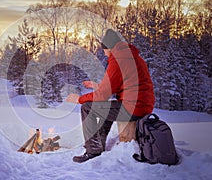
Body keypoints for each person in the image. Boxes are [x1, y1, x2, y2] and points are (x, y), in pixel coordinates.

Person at [66, 29, 155, 163]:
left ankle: (92, 149)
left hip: (133, 108)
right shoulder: (132, 57)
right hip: (143, 105)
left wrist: (78, 99)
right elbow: (125, 84)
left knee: (87, 107)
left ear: (110, 47)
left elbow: (102, 95)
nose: (105, 54)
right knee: (105, 107)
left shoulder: (118, 60)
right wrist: (97, 86)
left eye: (104, 51)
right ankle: (99, 143)